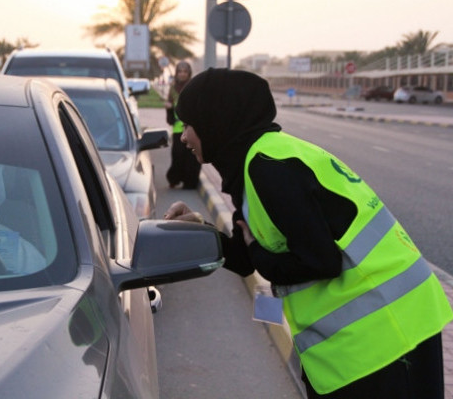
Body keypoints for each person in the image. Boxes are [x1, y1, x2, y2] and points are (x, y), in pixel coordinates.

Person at [163, 68, 453, 398]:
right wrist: (201, 229)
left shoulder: (269, 168)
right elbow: (249, 256)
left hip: (389, 336)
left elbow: (319, 261)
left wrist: (258, 253)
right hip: (370, 340)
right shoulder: (252, 164)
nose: (183, 136)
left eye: (189, 124)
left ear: (216, 120)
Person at [164, 61, 201, 189]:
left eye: (185, 71)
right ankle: (174, 179)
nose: (182, 74)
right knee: (177, 154)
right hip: (178, 128)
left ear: (189, 73)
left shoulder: (194, 86)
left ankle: (190, 182)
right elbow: (170, 103)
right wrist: (168, 106)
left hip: (192, 127)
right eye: (180, 71)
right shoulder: (173, 88)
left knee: (191, 155)